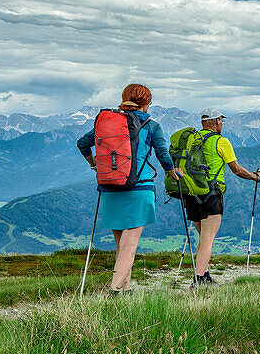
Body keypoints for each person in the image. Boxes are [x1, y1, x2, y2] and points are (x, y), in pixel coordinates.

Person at [77, 84, 183, 294]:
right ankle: (114, 290)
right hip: (139, 188)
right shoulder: (151, 125)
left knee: (121, 244)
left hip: (110, 187)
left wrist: (94, 164)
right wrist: (172, 172)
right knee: (130, 243)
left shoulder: (106, 122)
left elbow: (82, 143)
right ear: (147, 103)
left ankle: (125, 289)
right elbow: (163, 155)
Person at [184, 109, 260, 286]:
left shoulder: (191, 139)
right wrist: (255, 176)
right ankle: (199, 280)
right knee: (207, 239)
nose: (222, 124)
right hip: (211, 196)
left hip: (191, 194)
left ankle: (205, 275)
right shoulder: (221, 141)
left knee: (204, 238)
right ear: (216, 121)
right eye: (221, 121)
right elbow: (236, 169)